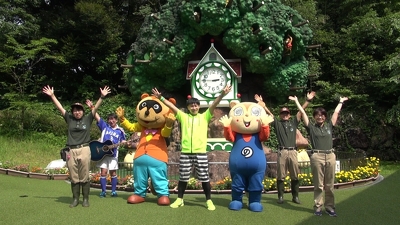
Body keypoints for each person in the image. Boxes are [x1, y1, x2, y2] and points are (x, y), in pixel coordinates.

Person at [151, 85, 232, 211]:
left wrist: (222, 94)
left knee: (204, 178)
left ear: (198, 107)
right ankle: (180, 199)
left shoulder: (205, 116)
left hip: (200, 153)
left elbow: (214, 104)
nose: (194, 107)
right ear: (188, 107)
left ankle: (208, 201)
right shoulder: (183, 116)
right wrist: (161, 98)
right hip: (186, 153)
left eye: (196, 105)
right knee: (183, 178)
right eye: (191, 105)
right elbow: (172, 107)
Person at [42, 85, 111, 207]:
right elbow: (60, 108)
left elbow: (95, 109)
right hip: (71, 150)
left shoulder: (87, 119)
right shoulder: (69, 119)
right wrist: (52, 96)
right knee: (74, 176)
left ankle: (85, 199)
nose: (77, 112)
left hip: (84, 149)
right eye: (75, 110)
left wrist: (101, 97)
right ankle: (75, 199)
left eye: (79, 109)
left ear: (83, 111)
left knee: (84, 175)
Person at [255, 92, 315, 204]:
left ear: (289, 114)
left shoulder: (293, 123)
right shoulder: (277, 124)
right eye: (283, 113)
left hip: (293, 151)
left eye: (286, 113)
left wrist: (307, 100)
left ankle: (295, 196)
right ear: (280, 115)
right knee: (281, 175)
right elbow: (269, 114)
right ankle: (280, 197)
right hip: (282, 151)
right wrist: (262, 104)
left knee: (295, 175)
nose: (285, 115)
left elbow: (300, 111)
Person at [301, 96, 349, 217]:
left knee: (330, 185)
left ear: (325, 117)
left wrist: (341, 102)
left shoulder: (329, 126)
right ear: (314, 117)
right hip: (317, 156)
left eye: (322, 115)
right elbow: (302, 113)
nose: (320, 116)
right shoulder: (311, 128)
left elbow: (336, 113)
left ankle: (329, 207)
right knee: (318, 185)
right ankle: (318, 207)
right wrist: (304, 101)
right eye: (317, 115)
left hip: (330, 155)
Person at [86, 100, 126, 198]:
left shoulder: (120, 131)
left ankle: (113, 191)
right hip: (102, 154)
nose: (111, 121)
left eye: (113, 119)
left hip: (113, 154)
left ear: (116, 120)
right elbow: (97, 117)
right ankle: (103, 191)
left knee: (113, 173)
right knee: (103, 172)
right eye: (109, 119)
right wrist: (92, 107)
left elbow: (123, 142)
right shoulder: (105, 127)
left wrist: (125, 143)